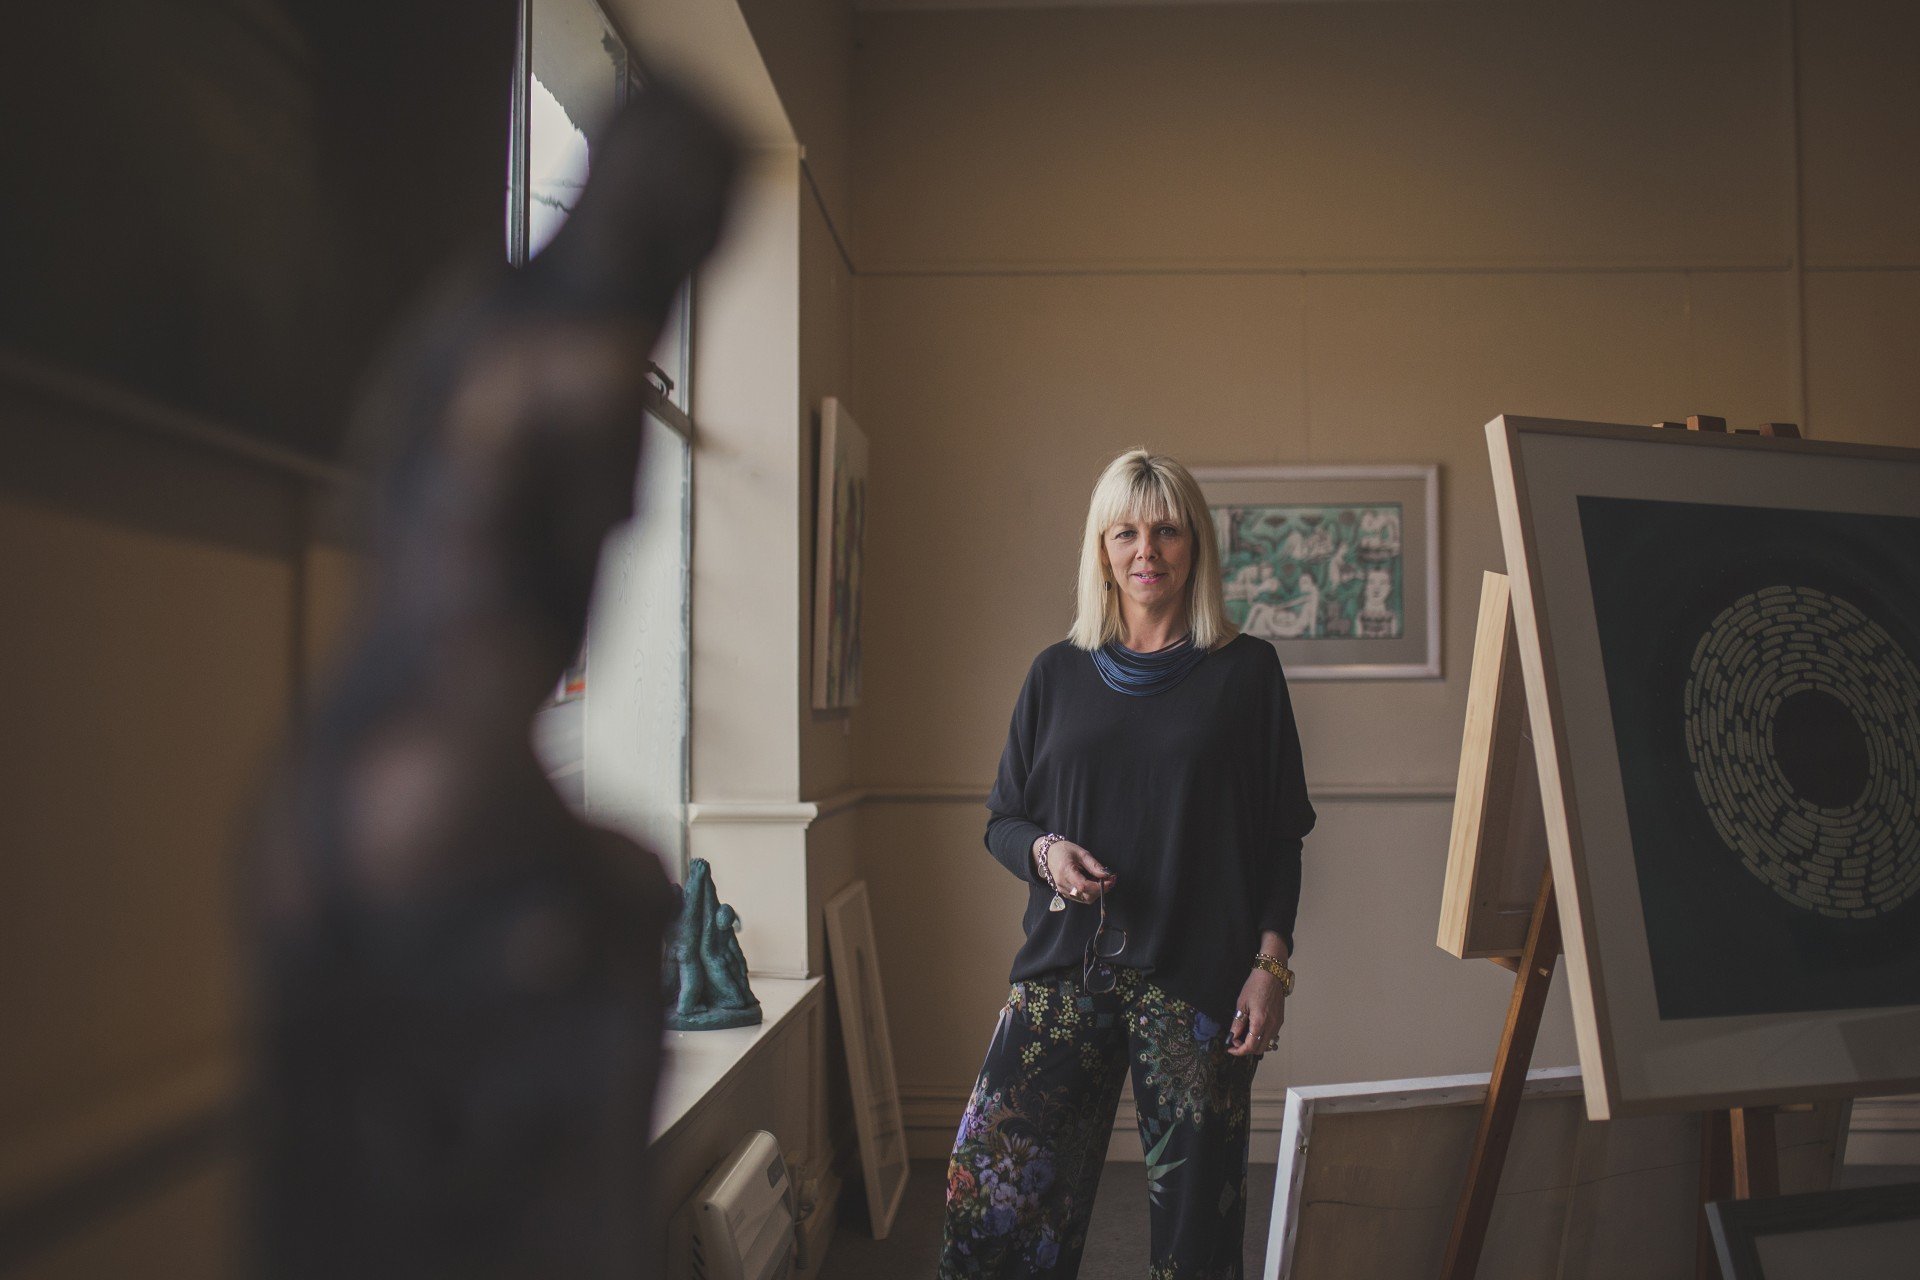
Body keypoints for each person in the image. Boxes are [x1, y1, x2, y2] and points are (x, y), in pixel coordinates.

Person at [938, 449, 1315, 1280]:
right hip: (1065, 972)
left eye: (1167, 530)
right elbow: (1004, 821)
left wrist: (1270, 970)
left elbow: (1282, 836)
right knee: (995, 1200)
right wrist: (1045, 854)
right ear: (1102, 549)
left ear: (1196, 545)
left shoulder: (1246, 673)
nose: (1147, 550)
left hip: (1198, 984)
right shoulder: (1056, 674)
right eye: (1126, 532)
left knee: (1196, 1234)